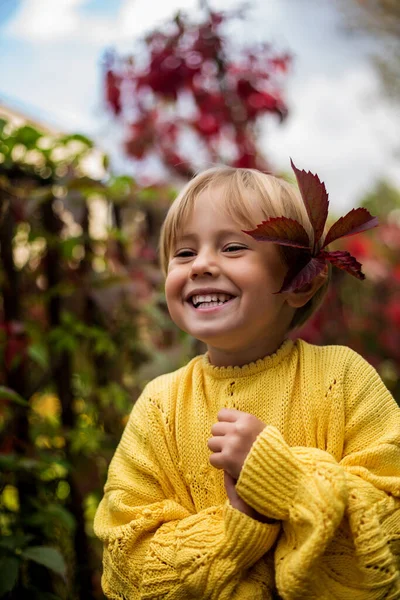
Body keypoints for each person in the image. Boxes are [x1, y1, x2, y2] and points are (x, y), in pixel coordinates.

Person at [94, 163, 400, 599]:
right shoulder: (159, 405)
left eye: (233, 247)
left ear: (300, 282)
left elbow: (388, 530)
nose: (200, 264)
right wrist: (242, 528)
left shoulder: (343, 379)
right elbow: (127, 560)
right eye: (183, 253)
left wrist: (283, 479)